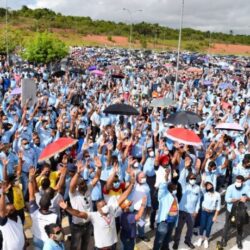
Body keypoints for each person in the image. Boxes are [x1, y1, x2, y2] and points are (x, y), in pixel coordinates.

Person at [59, 174, 136, 250]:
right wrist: (67, 208)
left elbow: (123, 197)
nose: (105, 206)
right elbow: (79, 214)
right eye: (102, 206)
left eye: (105, 204)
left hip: (112, 246)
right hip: (100, 248)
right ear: (98, 208)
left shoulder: (111, 209)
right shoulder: (94, 216)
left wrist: (132, 184)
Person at [68, 157, 102, 250]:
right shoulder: (73, 194)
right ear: (77, 187)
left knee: (85, 245)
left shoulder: (88, 188)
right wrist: (78, 173)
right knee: (74, 246)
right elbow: (71, 185)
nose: (84, 185)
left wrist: (99, 168)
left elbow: (97, 178)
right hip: (77, 226)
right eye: (81, 184)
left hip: (88, 224)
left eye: (84, 183)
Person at [221, 175, 250, 249]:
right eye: (236, 181)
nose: (237, 183)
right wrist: (238, 199)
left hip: (241, 210)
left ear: (242, 182)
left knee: (240, 225)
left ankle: (239, 241)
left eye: (239, 182)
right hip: (231, 210)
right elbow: (227, 199)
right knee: (227, 225)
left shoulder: (246, 187)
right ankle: (224, 239)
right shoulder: (230, 187)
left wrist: (246, 198)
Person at [173, 173, 201, 249]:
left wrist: (196, 210)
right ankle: (176, 242)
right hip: (182, 210)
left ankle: (187, 240)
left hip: (192, 212)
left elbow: (198, 201)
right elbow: (181, 178)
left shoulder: (198, 188)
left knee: (190, 228)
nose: (193, 180)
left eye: (194, 179)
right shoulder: (184, 186)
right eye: (191, 178)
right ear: (188, 179)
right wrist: (185, 168)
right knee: (179, 228)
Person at [153, 170, 178, 250]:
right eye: (174, 185)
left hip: (172, 221)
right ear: (170, 186)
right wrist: (166, 177)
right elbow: (162, 187)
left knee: (167, 239)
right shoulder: (163, 195)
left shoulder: (174, 196)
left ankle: (165, 248)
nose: (176, 186)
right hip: (164, 221)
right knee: (159, 240)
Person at [195, 181, 221, 248]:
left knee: (208, 227)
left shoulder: (217, 194)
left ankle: (206, 239)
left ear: (212, 185)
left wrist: (215, 216)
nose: (208, 186)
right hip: (204, 212)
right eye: (207, 186)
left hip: (212, 213)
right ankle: (200, 238)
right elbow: (202, 186)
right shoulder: (205, 193)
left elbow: (218, 206)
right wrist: (203, 181)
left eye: (210, 185)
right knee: (202, 226)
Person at [0, 182, 25, 250]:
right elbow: (2, 210)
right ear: (6, 213)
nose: (12, 211)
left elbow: (21, 230)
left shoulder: (18, 218)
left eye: (13, 209)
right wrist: (3, 194)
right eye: (9, 210)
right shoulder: (4, 222)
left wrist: (24, 242)